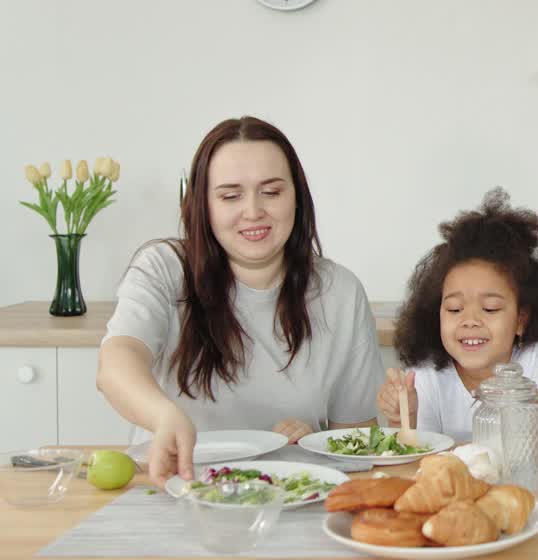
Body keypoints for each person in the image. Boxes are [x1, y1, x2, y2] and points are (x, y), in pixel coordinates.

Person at [97, 117, 384, 485]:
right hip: (176, 489)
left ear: (297, 196)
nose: (253, 211)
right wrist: (163, 416)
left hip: (293, 497)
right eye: (230, 195)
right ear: (204, 205)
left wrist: (313, 442)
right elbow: (115, 364)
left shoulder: (340, 291)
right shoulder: (163, 268)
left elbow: (354, 445)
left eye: (272, 191)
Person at [378, 189, 538, 440]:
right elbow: (417, 461)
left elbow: (525, 446)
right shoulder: (425, 372)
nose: (469, 321)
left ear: (521, 319)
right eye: (454, 309)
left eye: (490, 308)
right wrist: (401, 419)